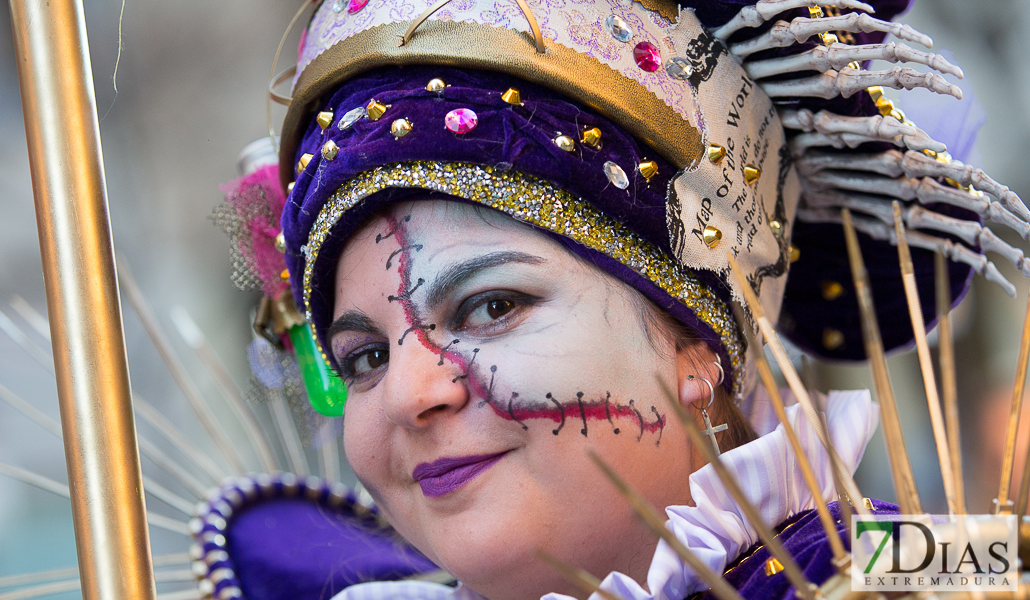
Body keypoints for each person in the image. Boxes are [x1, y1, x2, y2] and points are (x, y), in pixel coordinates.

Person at [206, 0, 1030, 598]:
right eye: (367, 358)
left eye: (492, 306)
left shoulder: (890, 572)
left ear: (694, 343)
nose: (412, 393)